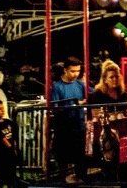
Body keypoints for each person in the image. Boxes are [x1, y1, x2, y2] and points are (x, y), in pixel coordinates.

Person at [51, 56, 87, 185]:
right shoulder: (57, 87)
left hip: (79, 124)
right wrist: (75, 105)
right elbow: (55, 108)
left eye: (78, 71)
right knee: (63, 156)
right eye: (72, 71)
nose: (76, 74)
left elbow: (89, 98)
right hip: (64, 126)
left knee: (80, 155)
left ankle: (81, 179)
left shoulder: (80, 85)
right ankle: (63, 181)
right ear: (65, 70)